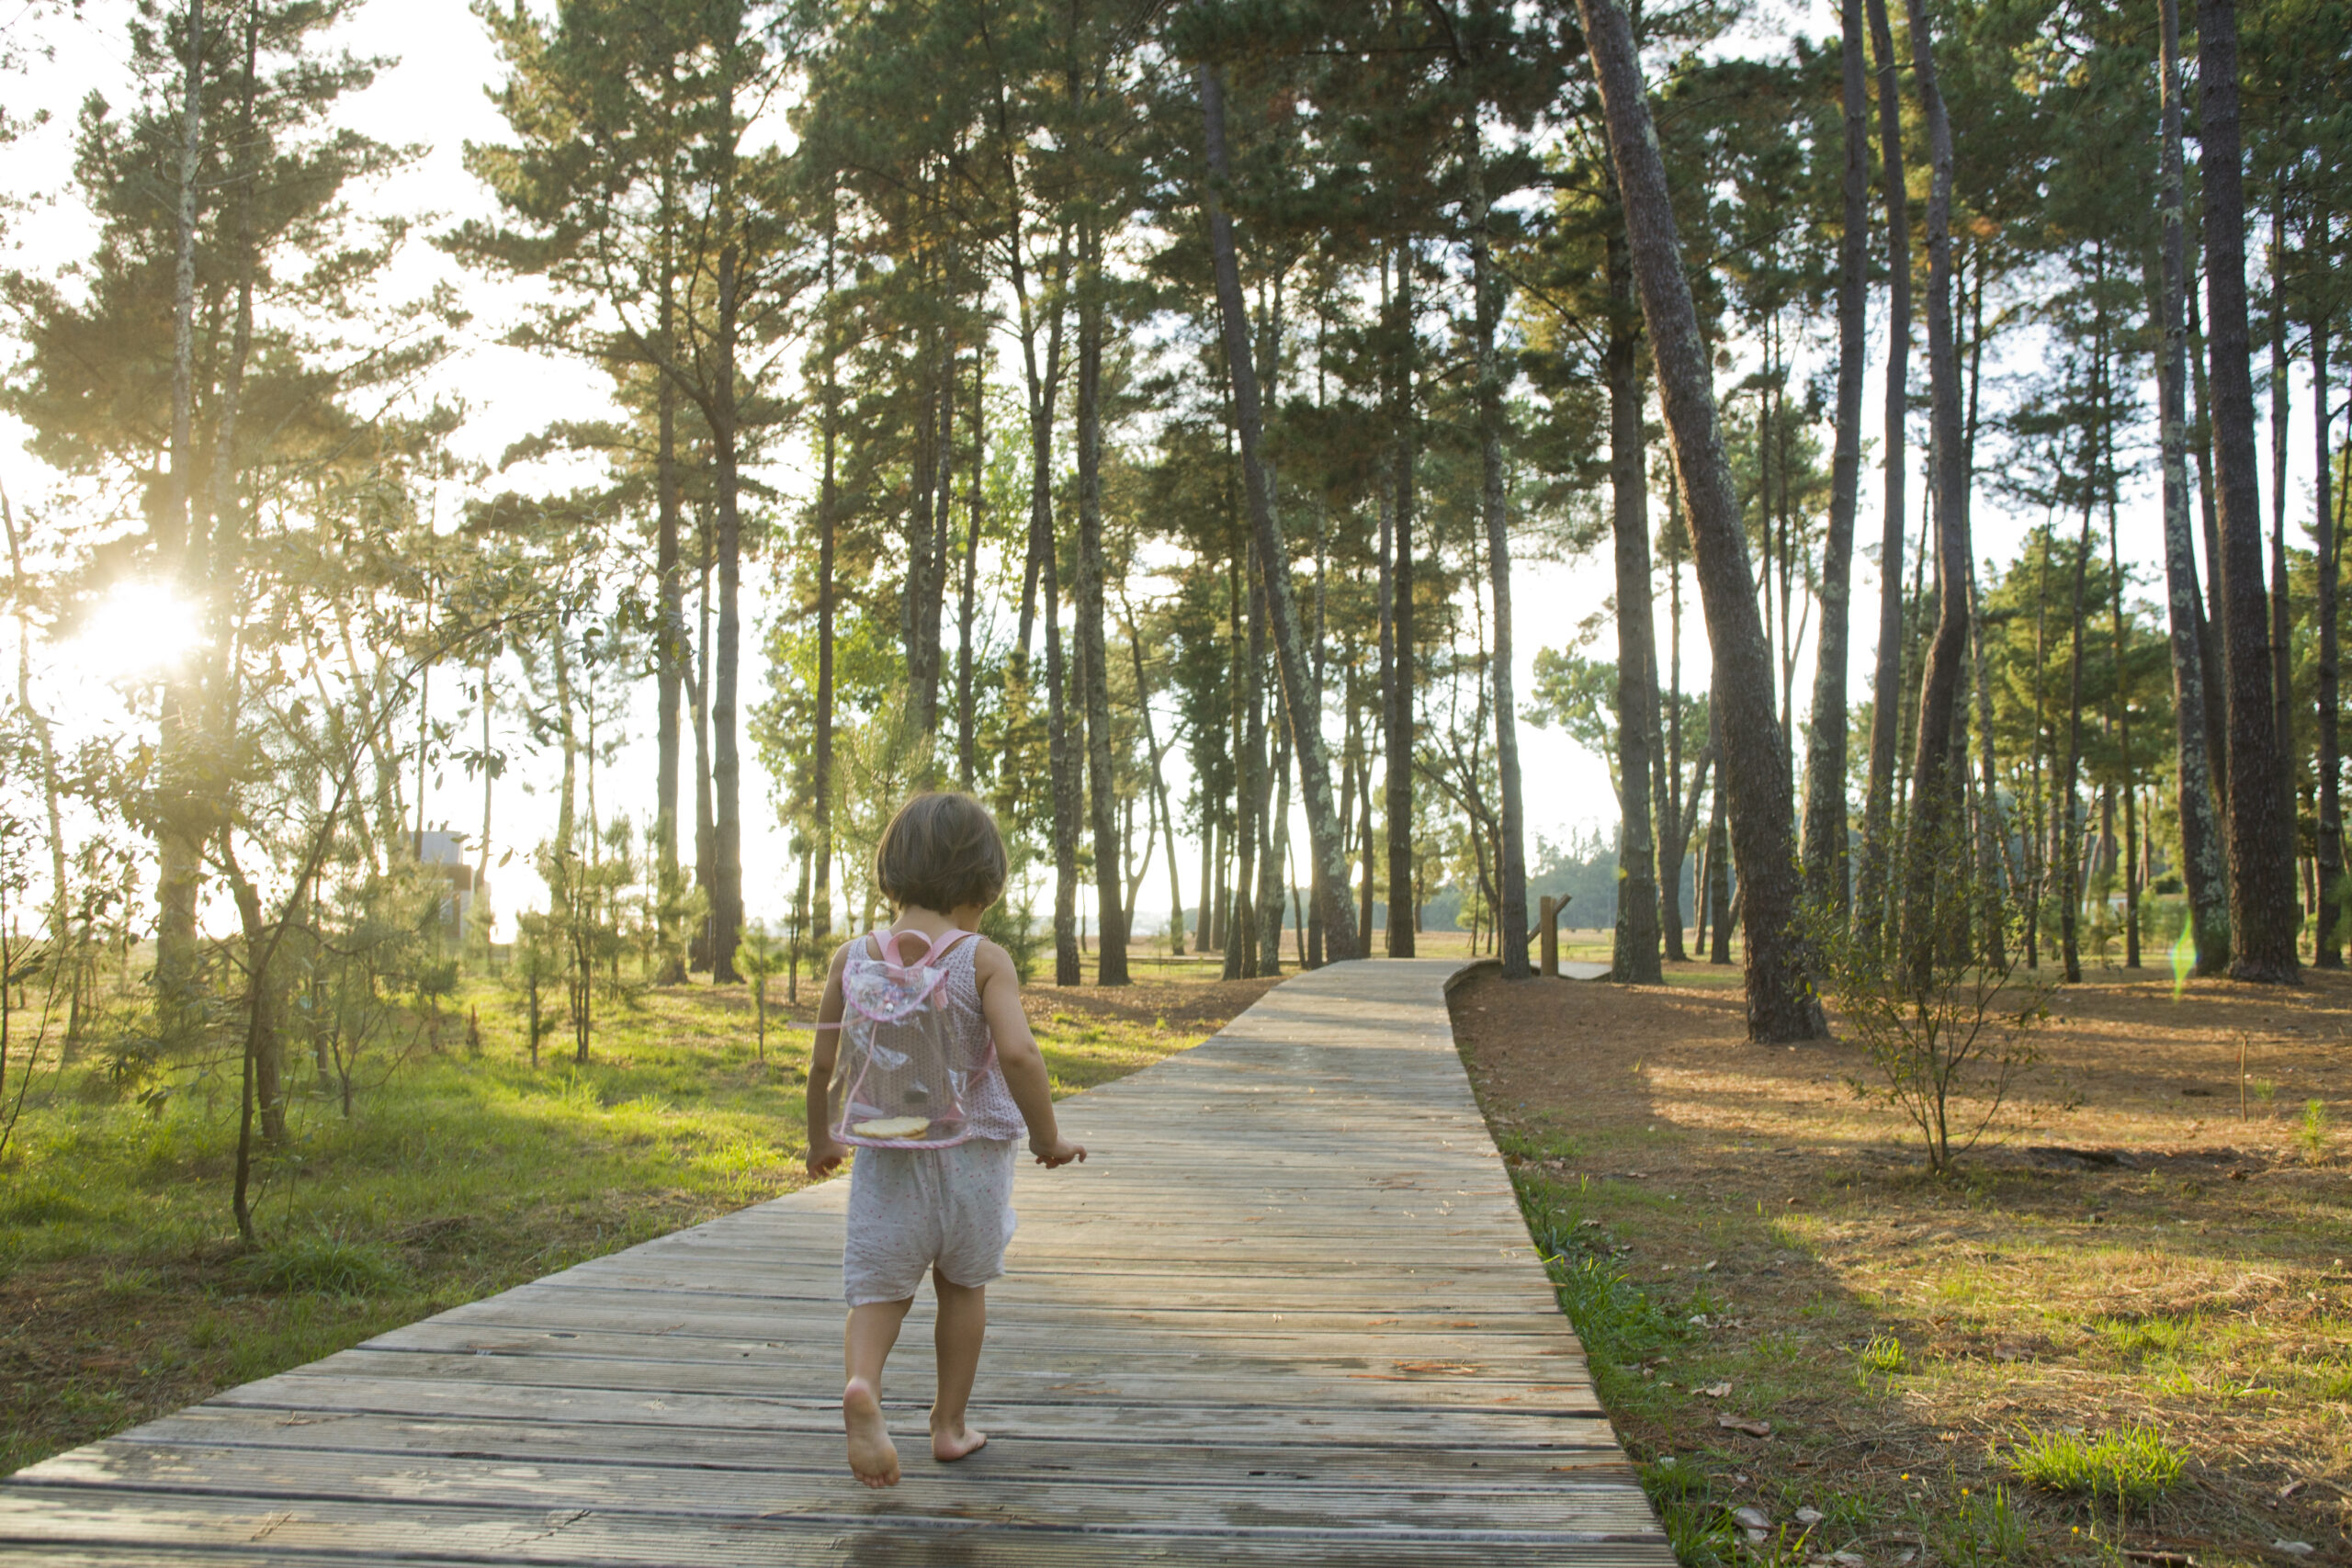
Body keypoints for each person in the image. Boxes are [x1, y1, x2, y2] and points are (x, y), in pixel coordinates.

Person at [804, 791, 1088, 1488]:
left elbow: (821, 1063)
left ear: (893, 870)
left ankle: (863, 1384)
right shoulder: (982, 958)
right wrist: (1047, 1137)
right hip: (973, 1164)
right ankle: (948, 1425)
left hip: (888, 1160)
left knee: (877, 1291)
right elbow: (1019, 1054)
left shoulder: (853, 957)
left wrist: (821, 1141)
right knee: (963, 1287)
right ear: (980, 884)